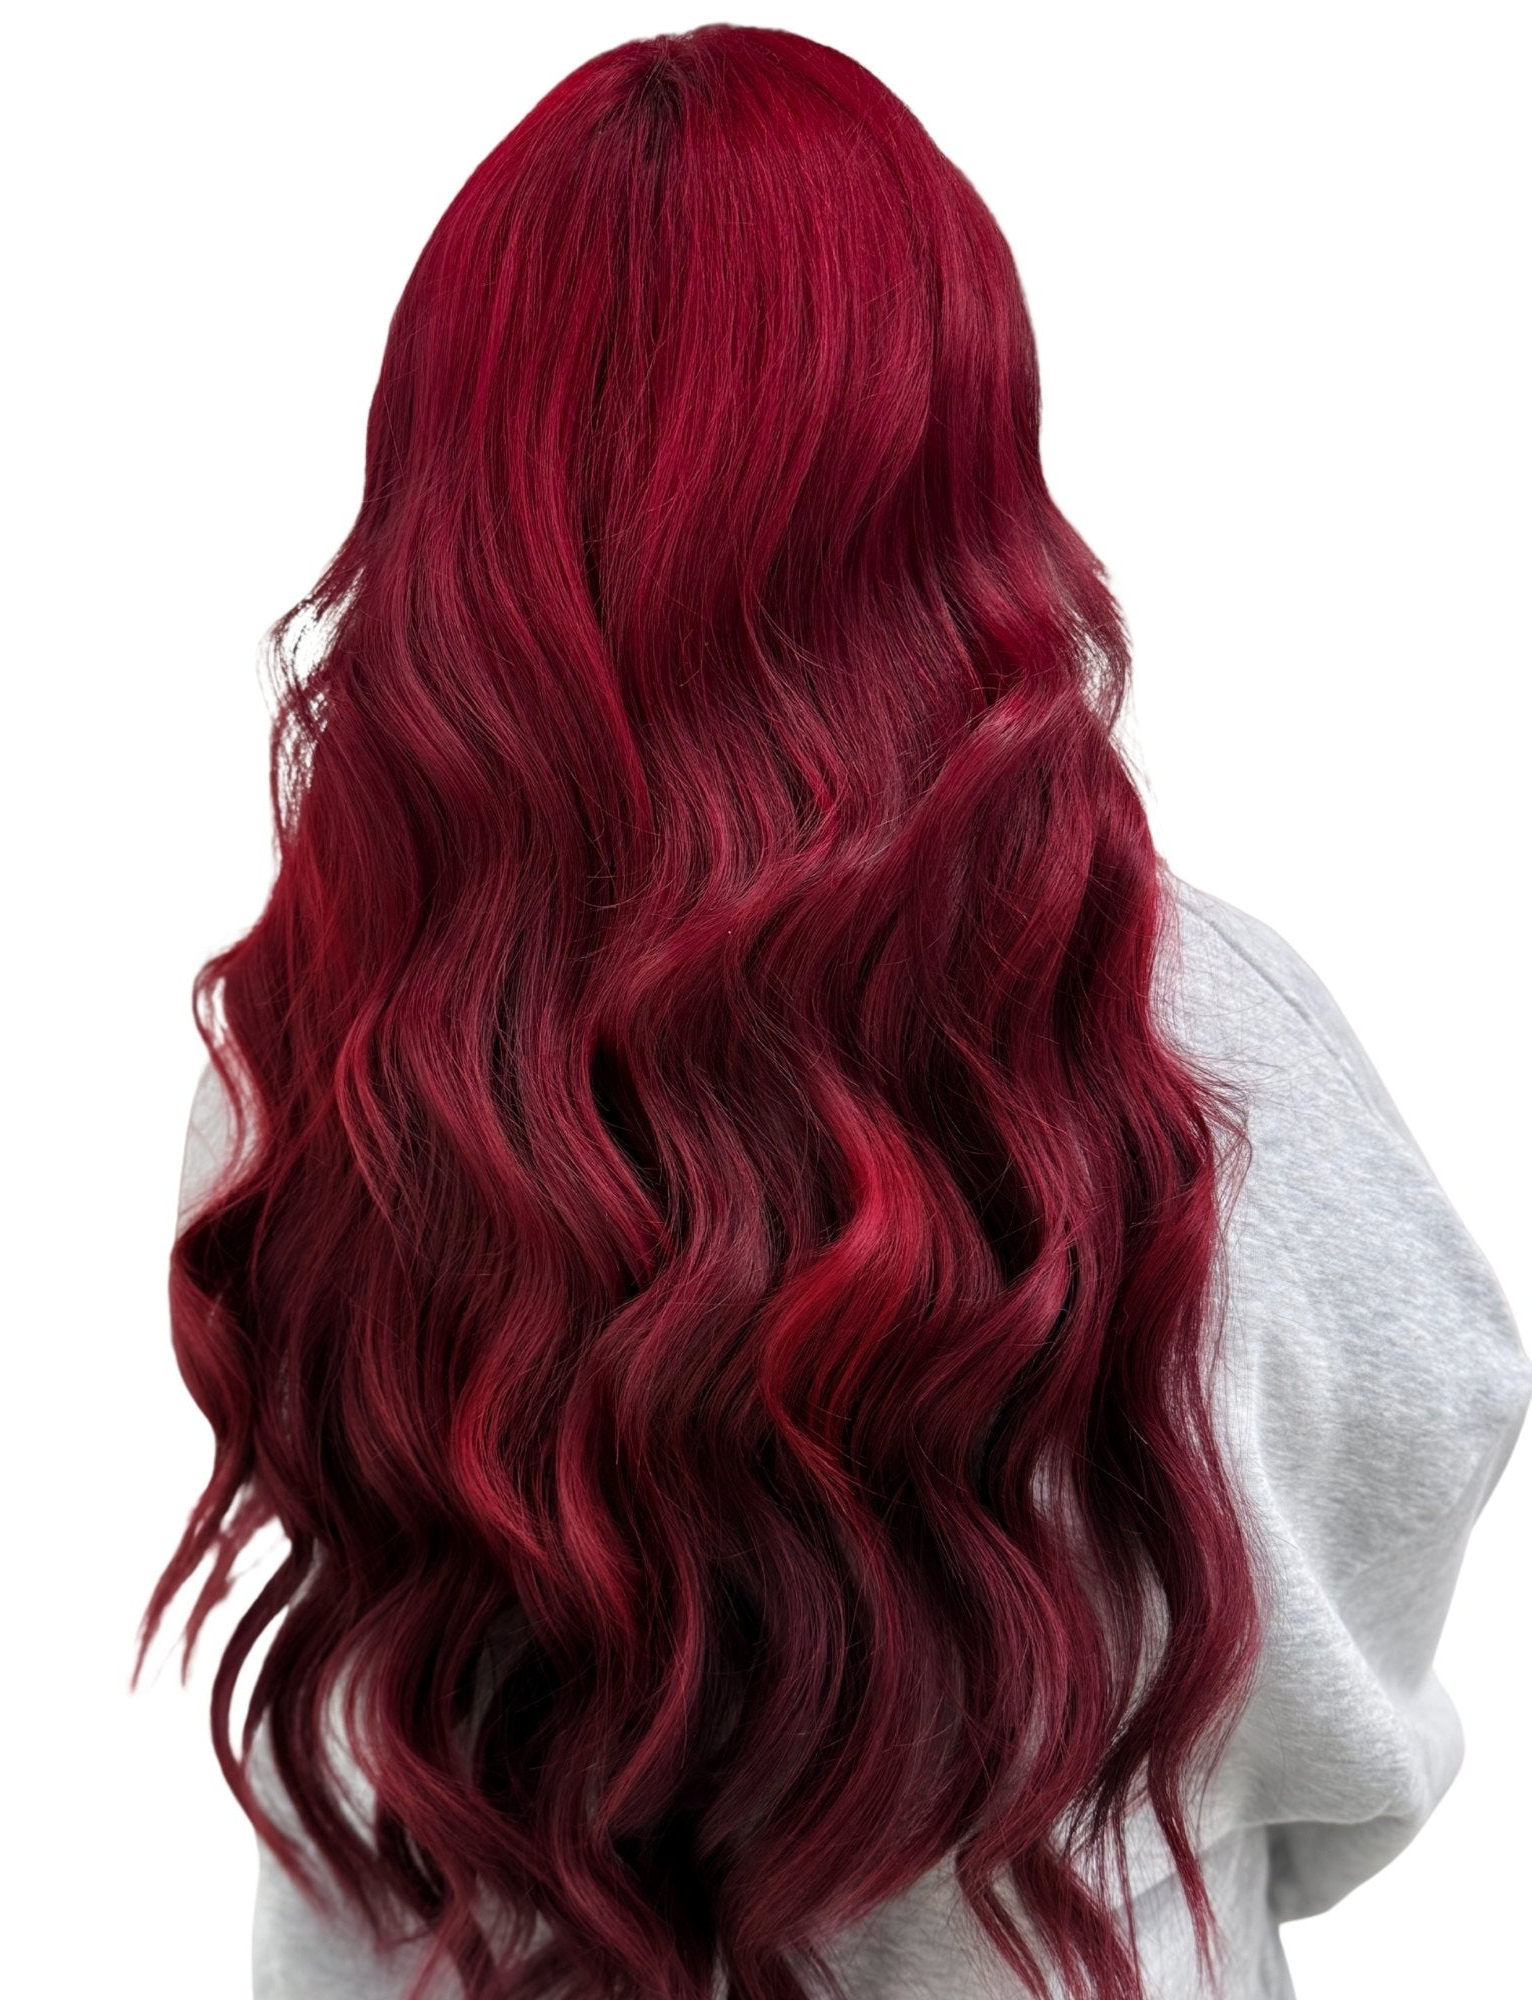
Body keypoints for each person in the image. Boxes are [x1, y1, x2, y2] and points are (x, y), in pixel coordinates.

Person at [140, 26, 1532, 2000]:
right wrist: (1207, 1822)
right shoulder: (1197, 1037)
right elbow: (1408, 1457)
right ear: (954, 472)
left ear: (449, 484)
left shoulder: (305, 1060)